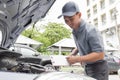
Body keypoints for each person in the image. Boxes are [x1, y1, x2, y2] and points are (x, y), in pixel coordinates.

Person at [58, 1, 108, 80]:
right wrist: (73, 54)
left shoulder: (91, 30)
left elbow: (100, 54)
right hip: (87, 67)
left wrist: (77, 59)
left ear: (79, 15)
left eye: (71, 19)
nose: (69, 23)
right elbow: (80, 44)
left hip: (98, 69)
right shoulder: (75, 30)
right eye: (66, 20)